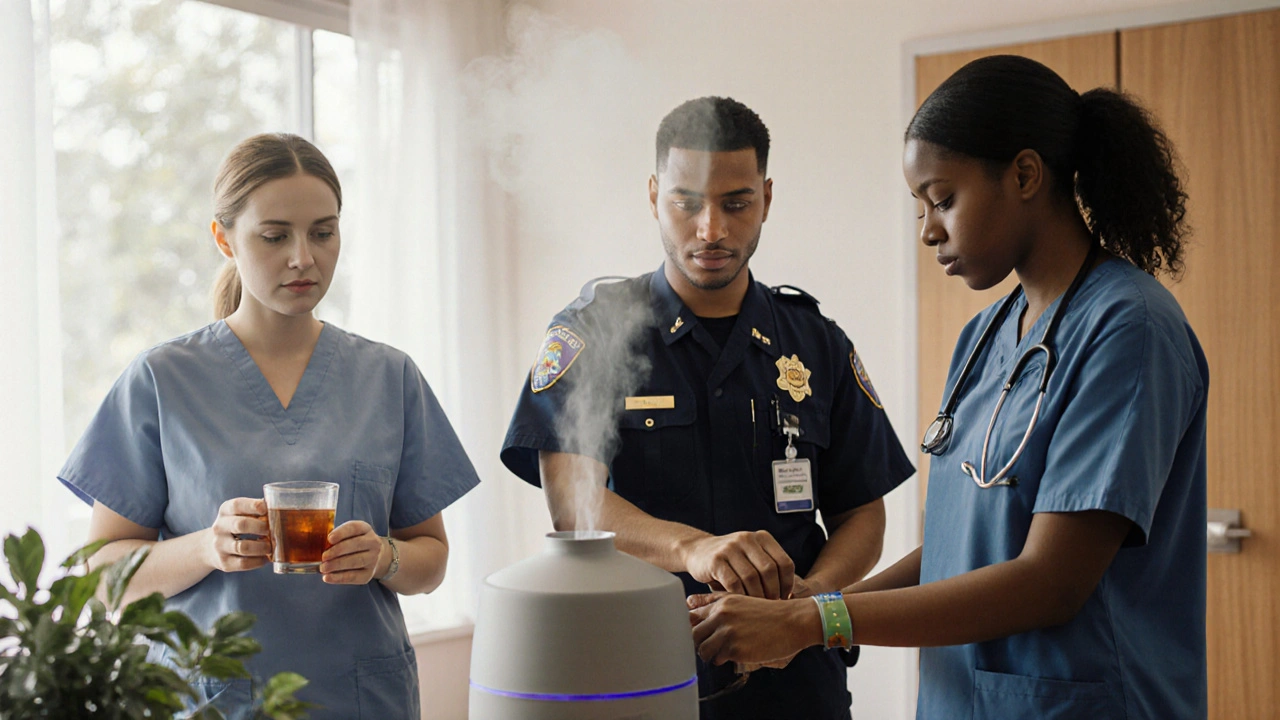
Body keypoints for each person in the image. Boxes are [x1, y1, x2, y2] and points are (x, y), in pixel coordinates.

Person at [688, 56, 1207, 719]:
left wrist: (819, 624)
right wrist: (815, 609)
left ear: (1024, 174)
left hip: (1084, 703)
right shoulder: (986, 336)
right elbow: (965, 548)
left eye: (943, 199)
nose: (929, 230)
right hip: (965, 702)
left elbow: (1050, 583)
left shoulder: (1129, 328)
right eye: (920, 207)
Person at [500, 97, 915, 720]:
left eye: (736, 203)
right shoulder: (593, 331)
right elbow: (573, 502)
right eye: (686, 202)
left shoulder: (815, 341)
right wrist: (693, 549)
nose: (711, 229)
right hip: (641, 672)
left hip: (796, 682)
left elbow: (863, 515)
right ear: (652, 193)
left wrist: (808, 604)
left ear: (767, 198)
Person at [57, 133, 480, 719]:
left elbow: (430, 559)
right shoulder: (161, 380)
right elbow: (103, 577)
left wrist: (383, 557)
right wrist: (207, 548)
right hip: (212, 701)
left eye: (323, 233)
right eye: (275, 235)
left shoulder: (389, 377)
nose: (303, 257)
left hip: (360, 700)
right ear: (223, 238)